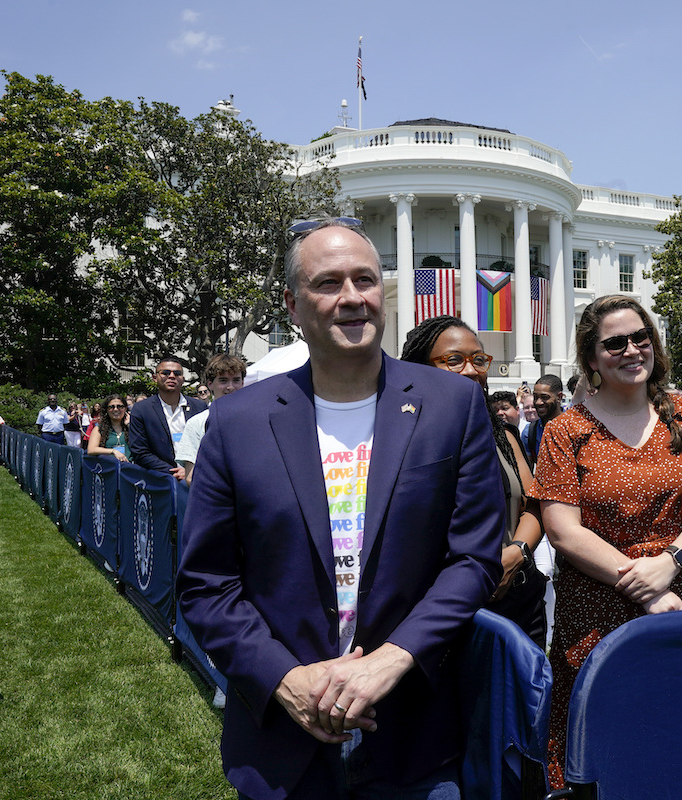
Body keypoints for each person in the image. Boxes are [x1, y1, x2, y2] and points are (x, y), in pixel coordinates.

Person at [178, 217, 504, 800]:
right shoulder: (237, 422)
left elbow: (474, 559)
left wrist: (391, 660)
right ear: (292, 305)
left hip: (414, 739)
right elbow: (207, 584)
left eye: (365, 280)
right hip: (284, 744)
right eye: (328, 283)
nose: (352, 298)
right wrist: (285, 679)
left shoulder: (451, 406)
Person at [530, 294, 682, 788]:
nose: (631, 350)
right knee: (604, 757)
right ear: (592, 358)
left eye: (640, 337)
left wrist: (671, 562)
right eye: (614, 343)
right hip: (597, 616)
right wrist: (646, 585)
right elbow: (562, 529)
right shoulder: (564, 431)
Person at [401, 315, 548, 647]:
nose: (470, 370)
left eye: (478, 360)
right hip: (443, 612)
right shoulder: (402, 439)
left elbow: (535, 504)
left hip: (519, 602)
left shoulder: (504, 436)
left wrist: (517, 553)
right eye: (454, 361)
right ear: (419, 367)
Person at [128, 357, 207, 479]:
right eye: (165, 373)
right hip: (161, 481)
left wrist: (192, 470)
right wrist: (174, 472)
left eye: (177, 373)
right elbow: (140, 452)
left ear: (183, 379)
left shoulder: (200, 407)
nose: (171, 376)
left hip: (198, 478)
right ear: (155, 378)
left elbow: (209, 444)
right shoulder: (142, 409)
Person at [175, 353, 246, 485]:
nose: (230, 387)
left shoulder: (255, 419)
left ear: (242, 383)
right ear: (210, 384)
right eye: (223, 380)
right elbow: (190, 477)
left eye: (236, 380)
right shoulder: (196, 423)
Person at [524, 374, 564, 463]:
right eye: (535, 397)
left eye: (545, 397)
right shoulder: (529, 432)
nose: (538, 402)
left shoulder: (575, 428)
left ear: (559, 397)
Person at [87, 395, 131, 462]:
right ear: (107, 410)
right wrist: (113, 451)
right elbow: (91, 449)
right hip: (109, 468)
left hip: (130, 468)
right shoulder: (99, 428)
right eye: (111, 407)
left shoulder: (132, 427)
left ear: (125, 409)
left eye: (120, 406)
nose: (116, 409)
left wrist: (129, 425)